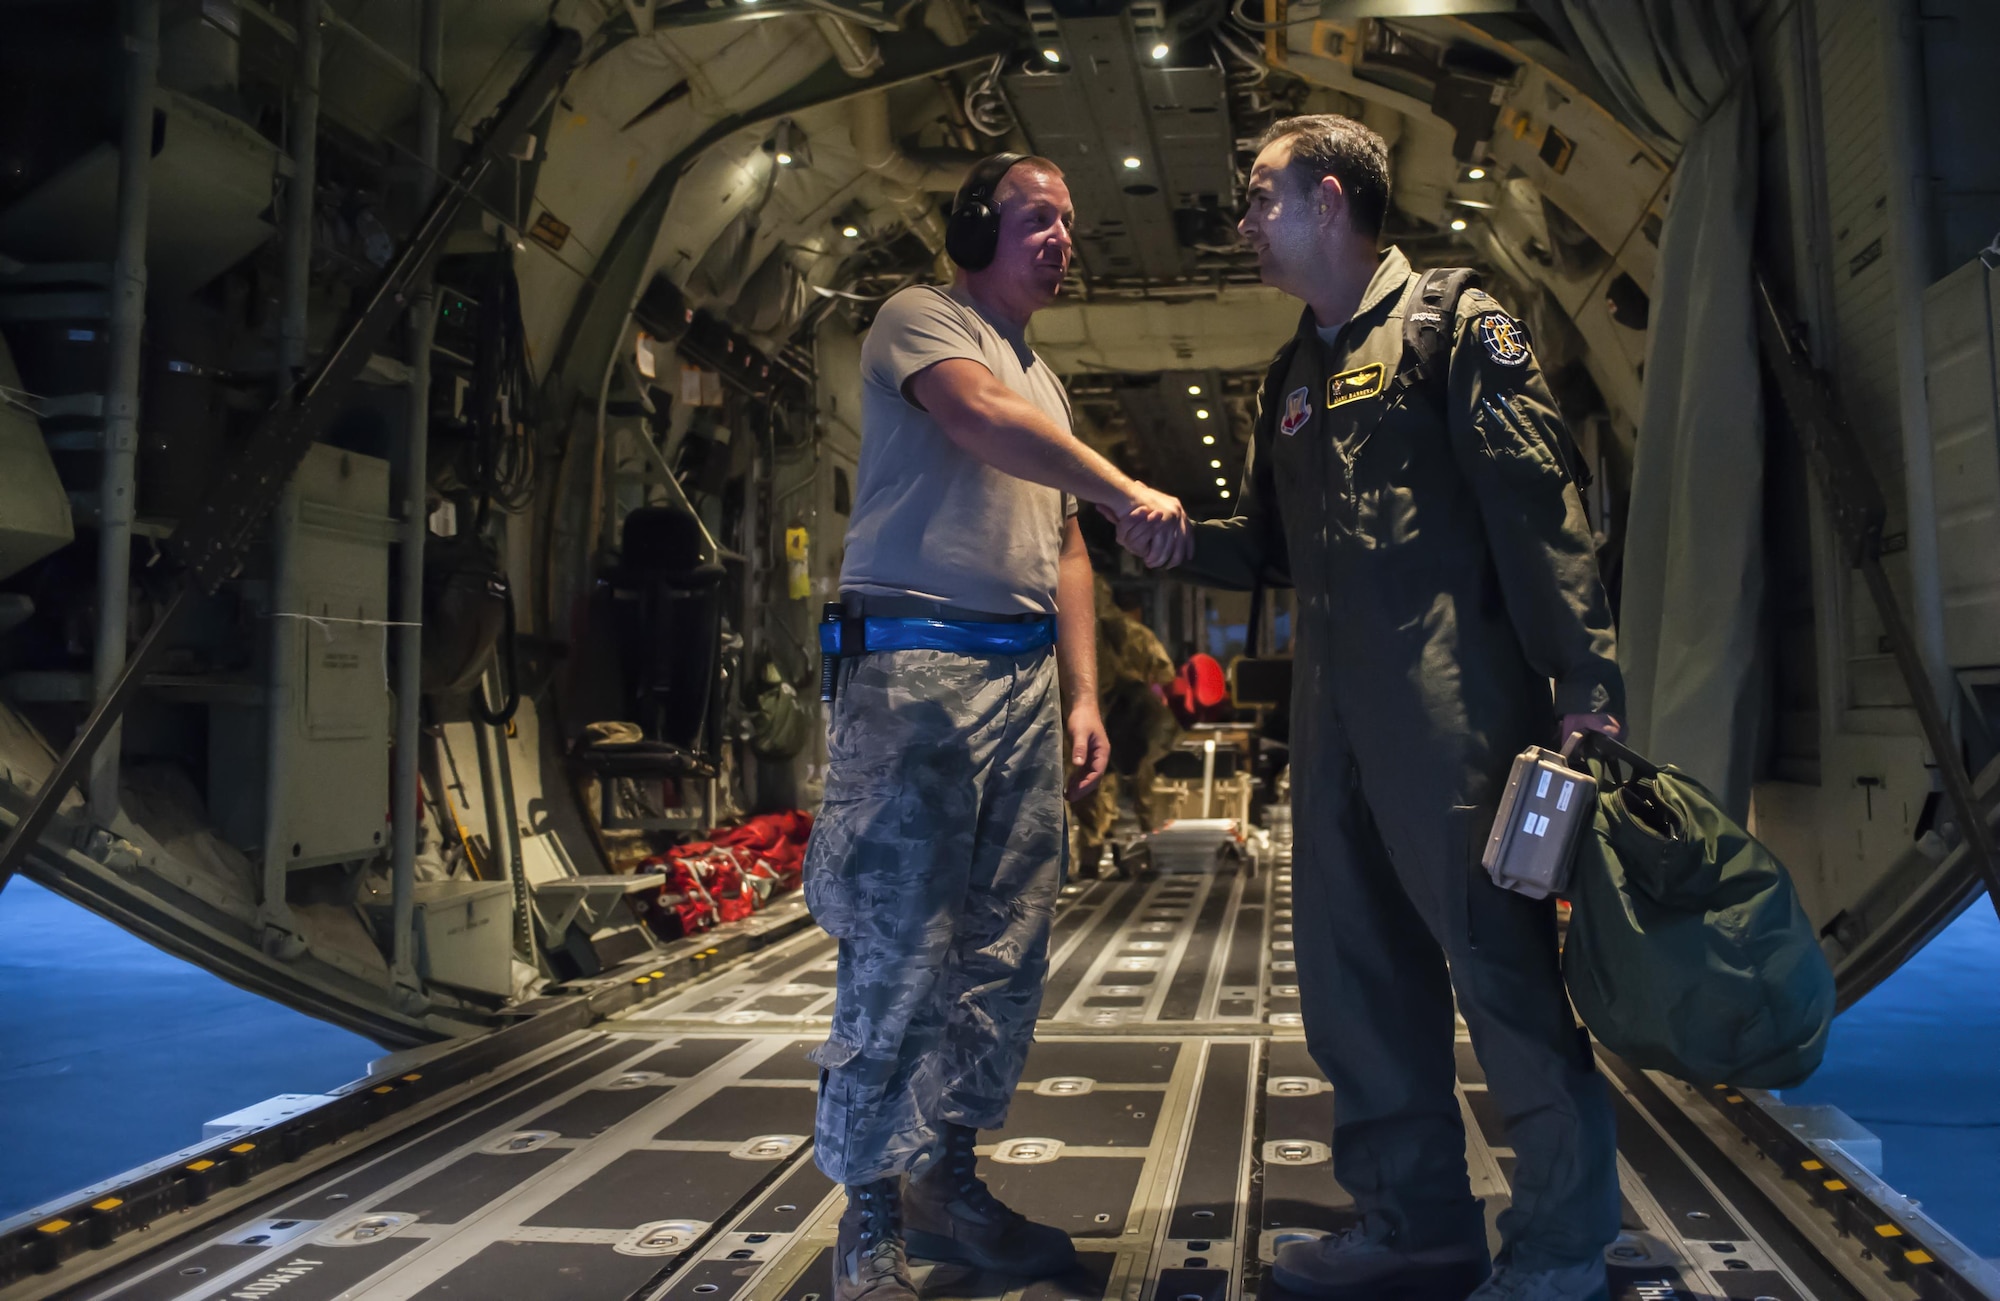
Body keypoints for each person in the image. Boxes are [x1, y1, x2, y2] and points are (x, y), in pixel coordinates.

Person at [1164, 114, 1626, 1301]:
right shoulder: (1293, 376)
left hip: (1452, 708)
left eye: (1260, 196)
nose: (1243, 222)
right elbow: (1269, 547)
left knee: (1499, 972)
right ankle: (1412, 1217)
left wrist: (1584, 682)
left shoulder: (1452, 327)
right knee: (1352, 978)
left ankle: (1562, 1241)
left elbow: (1536, 508)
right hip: (1332, 730)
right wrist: (1157, 530)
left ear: (1328, 199)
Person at [802, 152, 1191, 1301]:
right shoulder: (922, 323)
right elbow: (975, 422)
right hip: (916, 673)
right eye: (1038, 218)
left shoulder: (1044, 379)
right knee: (898, 944)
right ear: (975, 226)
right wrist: (1128, 490)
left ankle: (947, 1179)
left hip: (1020, 681)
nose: (1063, 237)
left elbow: (1060, 545)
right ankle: (869, 1211)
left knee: (999, 951)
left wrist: (1081, 691)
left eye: (1069, 223)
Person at [1071, 576, 1177, 878]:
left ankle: (1089, 856)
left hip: (1084, 713)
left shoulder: (1075, 633)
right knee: (1139, 783)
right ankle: (1148, 844)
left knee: (1089, 783)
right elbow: (1164, 671)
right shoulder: (1132, 632)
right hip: (1126, 714)